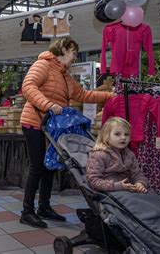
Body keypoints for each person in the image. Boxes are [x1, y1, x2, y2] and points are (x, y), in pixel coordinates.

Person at [20, 37, 113, 228]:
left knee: (48, 167)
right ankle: (26, 212)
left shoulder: (64, 74)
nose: (75, 57)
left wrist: (111, 96)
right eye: (74, 53)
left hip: (52, 126)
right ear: (63, 49)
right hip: (34, 122)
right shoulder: (43, 64)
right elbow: (28, 86)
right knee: (37, 166)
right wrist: (48, 105)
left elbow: (83, 95)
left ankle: (43, 207)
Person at [86, 117, 148, 193]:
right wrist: (117, 186)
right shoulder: (98, 156)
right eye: (117, 134)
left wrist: (140, 183)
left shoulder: (130, 155)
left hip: (129, 190)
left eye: (126, 134)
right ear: (106, 137)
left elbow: (137, 174)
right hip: (109, 193)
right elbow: (93, 181)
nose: (123, 137)